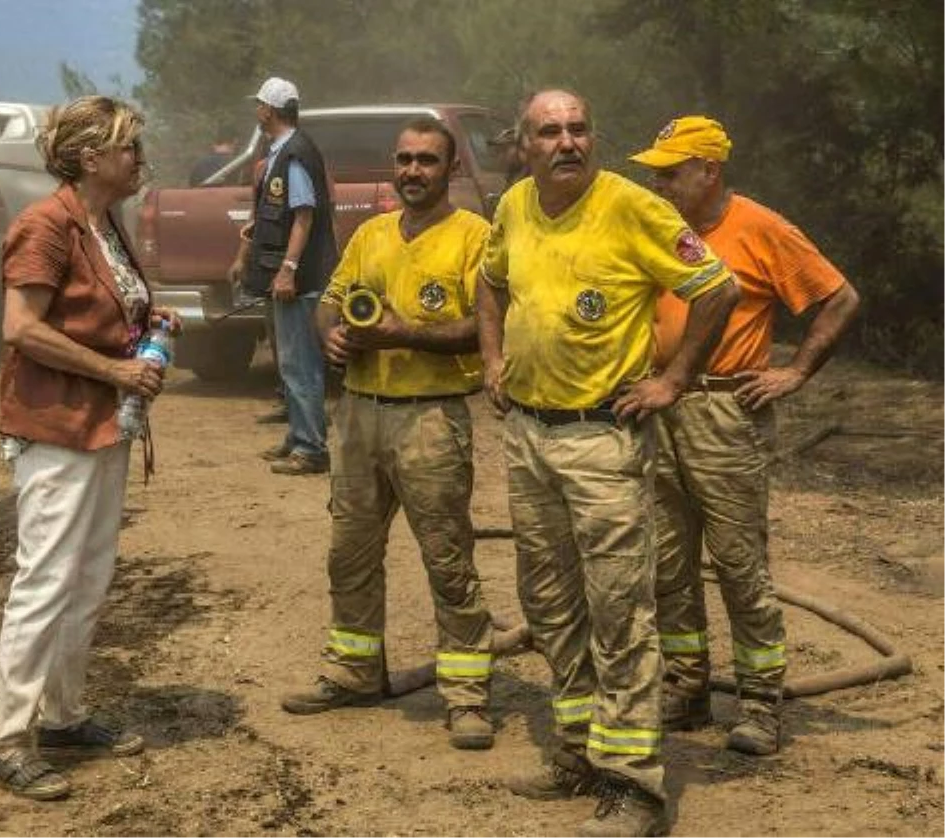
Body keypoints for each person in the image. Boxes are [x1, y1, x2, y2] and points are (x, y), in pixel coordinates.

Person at [476, 89, 739, 836]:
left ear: (594, 137)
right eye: (549, 131)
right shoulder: (515, 206)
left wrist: (674, 380)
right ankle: (579, 752)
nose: (567, 142)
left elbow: (717, 288)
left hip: (602, 440)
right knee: (552, 605)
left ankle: (635, 785)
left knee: (620, 610)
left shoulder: (633, 207)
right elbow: (490, 282)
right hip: (528, 437)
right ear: (523, 145)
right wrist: (491, 358)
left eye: (579, 128)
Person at [629, 116, 861, 755]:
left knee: (738, 564)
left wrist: (796, 371)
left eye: (672, 172)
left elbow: (839, 298)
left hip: (724, 413)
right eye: (656, 171)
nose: (659, 182)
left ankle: (760, 701)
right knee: (669, 562)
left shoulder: (759, 227)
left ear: (711, 171)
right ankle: (685, 685)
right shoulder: (657, 225)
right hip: (659, 405)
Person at [280, 117, 496, 750]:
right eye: (403, 159)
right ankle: (352, 672)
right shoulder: (371, 233)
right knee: (349, 553)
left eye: (427, 160)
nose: (412, 171)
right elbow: (329, 301)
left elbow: (483, 327)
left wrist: (404, 333)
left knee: (447, 559)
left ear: (450, 169)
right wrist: (333, 334)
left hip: (431, 416)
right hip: (358, 414)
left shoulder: (474, 237)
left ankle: (467, 697)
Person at [0, 96, 177, 800]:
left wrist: (146, 320)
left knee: (86, 577)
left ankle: (62, 715)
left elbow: (96, 311)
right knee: (43, 581)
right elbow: (22, 329)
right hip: (56, 427)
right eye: (128, 146)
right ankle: (8, 739)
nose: (139, 157)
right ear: (91, 157)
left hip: (102, 426)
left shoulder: (102, 224)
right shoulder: (46, 226)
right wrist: (117, 370)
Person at [228, 76, 337, 475]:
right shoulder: (281, 152)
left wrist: (289, 271)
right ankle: (297, 436)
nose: (256, 111)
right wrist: (249, 257)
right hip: (286, 278)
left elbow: (304, 216)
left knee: (301, 363)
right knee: (290, 362)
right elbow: (273, 215)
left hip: (302, 280)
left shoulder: (294, 153)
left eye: (259, 105)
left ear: (268, 111)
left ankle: (311, 449)